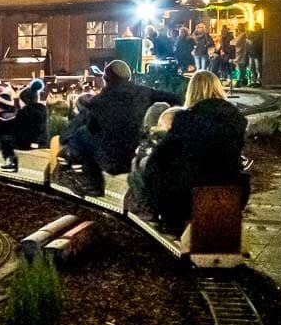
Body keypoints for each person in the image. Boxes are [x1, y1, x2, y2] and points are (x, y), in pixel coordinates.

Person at [140, 71, 248, 234]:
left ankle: (159, 220)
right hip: (231, 193)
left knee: (148, 166)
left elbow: (161, 157)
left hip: (191, 196)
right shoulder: (236, 120)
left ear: (191, 91)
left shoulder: (185, 120)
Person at [55, 59, 181, 196]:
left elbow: (70, 133)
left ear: (106, 79)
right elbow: (175, 99)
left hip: (110, 161)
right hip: (135, 155)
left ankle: (90, 181)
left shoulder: (99, 101)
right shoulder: (145, 93)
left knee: (80, 133)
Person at [13, 78, 49, 150]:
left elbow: (18, 133)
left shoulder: (23, 113)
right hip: (42, 144)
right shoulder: (43, 111)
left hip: (26, 146)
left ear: (24, 100)